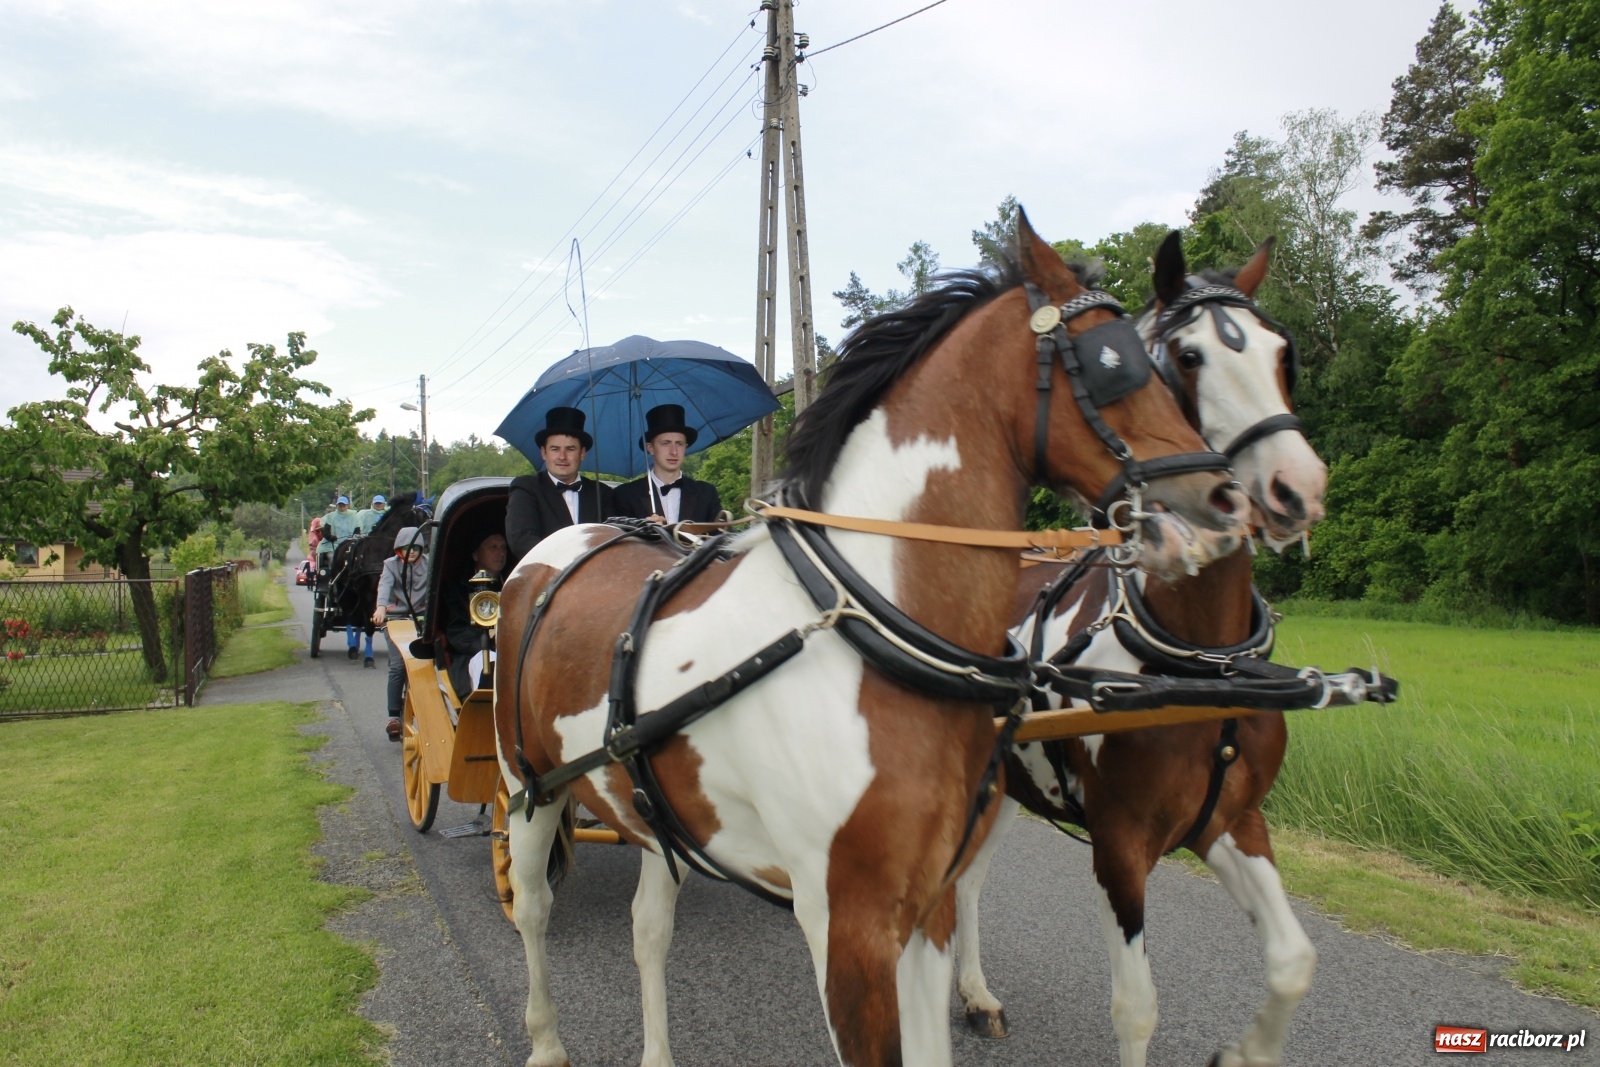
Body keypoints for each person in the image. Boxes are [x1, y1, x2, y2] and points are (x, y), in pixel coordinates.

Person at [505, 406, 617, 562]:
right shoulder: (527, 487)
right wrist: (568, 563)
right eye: (555, 449)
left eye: (570, 449)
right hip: (544, 579)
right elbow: (521, 540)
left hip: (595, 579)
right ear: (544, 453)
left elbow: (614, 539)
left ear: (582, 453)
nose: (562, 457)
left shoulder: (602, 492)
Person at [613, 403, 723, 524]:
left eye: (679, 444)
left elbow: (721, 537)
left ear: (685, 447)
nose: (674, 452)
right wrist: (644, 531)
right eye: (666, 443)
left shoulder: (706, 493)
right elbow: (619, 538)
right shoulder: (626, 494)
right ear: (650, 448)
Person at [372, 526, 428, 741]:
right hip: (396, 620)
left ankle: (429, 710)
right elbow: (384, 588)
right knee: (397, 666)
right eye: (406, 547)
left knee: (428, 666)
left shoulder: (429, 563)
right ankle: (393, 717)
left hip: (423, 620)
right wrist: (380, 608)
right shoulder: (390, 565)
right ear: (398, 549)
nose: (411, 551)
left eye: (416, 547)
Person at [440, 529, 507, 701]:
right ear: (476, 555)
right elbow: (458, 633)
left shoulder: (514, 585)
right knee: (489, 663)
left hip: (514, 652)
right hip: (472, 656)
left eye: (503, 548)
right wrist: (491, 645)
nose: (500, 553)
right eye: (493, 547)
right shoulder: (457, 590)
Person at [316, 495, 363, 658]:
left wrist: (352, 540)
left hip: (351, 545)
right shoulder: (330, 517)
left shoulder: (354, 517)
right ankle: (331, 582)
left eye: (343, 505)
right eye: (339, 505)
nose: (341, 507)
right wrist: (332, 538)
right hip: (333, 546)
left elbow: (358, 531)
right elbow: (326, 532)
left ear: (347, 505)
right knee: (329, 559)